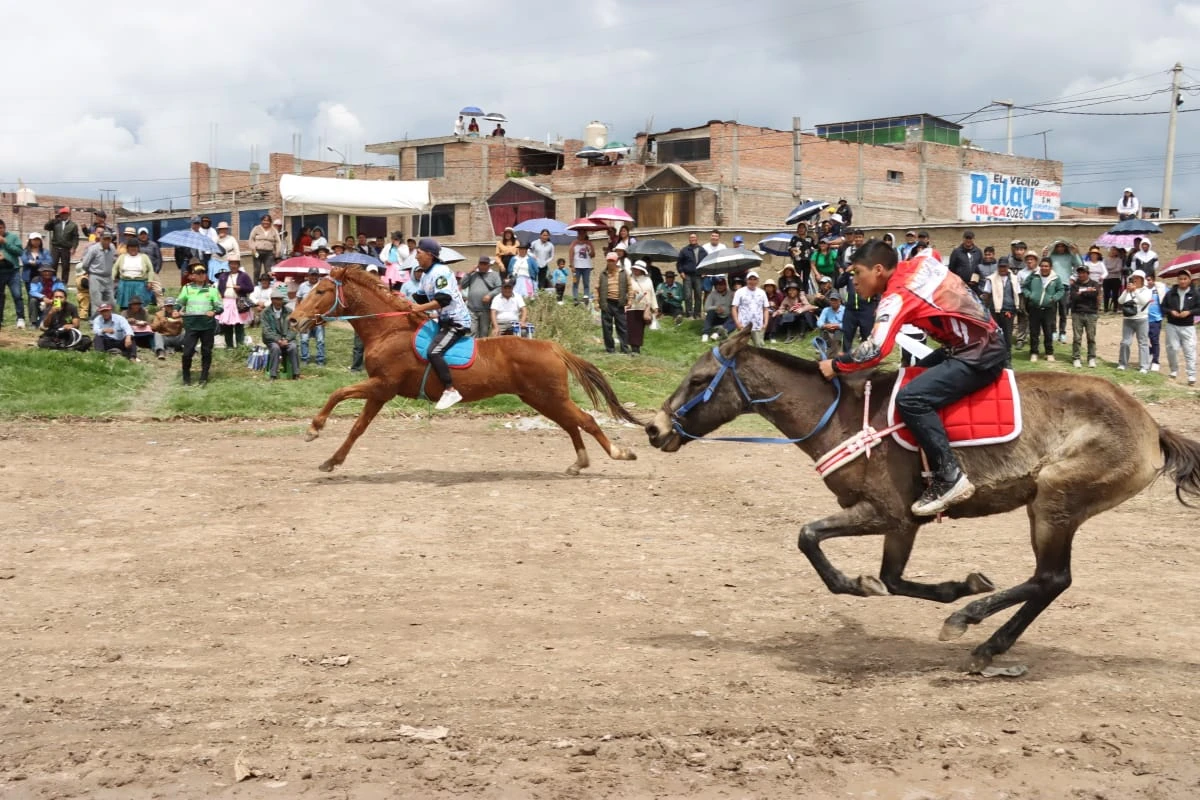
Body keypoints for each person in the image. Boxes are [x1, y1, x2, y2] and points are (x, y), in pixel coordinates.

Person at [819, 242, 1008, 515]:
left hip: (977, 354)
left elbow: (875, 351)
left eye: (858, 273)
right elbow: (931, 252)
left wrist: (835, 365)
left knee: (911, 398)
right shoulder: (918, 262)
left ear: (879, 270)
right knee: (910, 374)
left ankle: (949, 476)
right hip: (977, 343)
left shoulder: (896, 295)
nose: (854, 281)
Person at [407, 238, 474, 409]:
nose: (416, 257)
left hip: (456, 322)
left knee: (434, 352)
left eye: (419, 253)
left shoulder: (441, 272)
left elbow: (443, 299)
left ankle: (450, 390)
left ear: (429, 254)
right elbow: (419, 298)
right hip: (443, 320)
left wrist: (419, 308)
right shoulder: (426, 274)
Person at [175, 261, 223, 386]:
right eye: (198, 273)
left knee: (206, 351)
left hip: (207, 325)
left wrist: (214, 311)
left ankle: (204, 377)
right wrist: (175, 311)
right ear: (192, 276)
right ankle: (186, 378)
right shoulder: (187, 288)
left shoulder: (212, 289)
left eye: (203, 273)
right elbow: (179, 302)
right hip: (191, 324)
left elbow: (220, 307)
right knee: (187, 352)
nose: (201, 275)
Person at [835, 244, 878, 355]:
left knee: (867, 337)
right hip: (850, 309)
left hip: (867, 309)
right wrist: (846, 273)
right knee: (847, 335)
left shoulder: (869, 272)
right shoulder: (850, 273)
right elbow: (838, 284)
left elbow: (877, 289)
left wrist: (876, 306)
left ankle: (866, 358)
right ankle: (846, 359)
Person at [1161, 270, 1198, 386]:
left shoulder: (1195, 294)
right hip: (1172, 324)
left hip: (1188, 326)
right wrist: (1171, 311)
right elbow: (1163, 307)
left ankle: (1191, 375)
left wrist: (1190, 312)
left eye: (1185, 279)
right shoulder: (1171, 293)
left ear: (1189, 280)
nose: (1182, 281)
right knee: (1172, 348)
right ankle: (1173, 371)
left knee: (1190, 350)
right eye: (1180, 279)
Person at [980, 259, 1019, 367]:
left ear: (1008, 267)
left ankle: (1007, 360)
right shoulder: (991, 279)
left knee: (1007, 335)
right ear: (998, 267)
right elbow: (986, 294)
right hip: (994, 310)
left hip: (1008, 310)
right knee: (994, 335)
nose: (1002, 269)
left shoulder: (1014, 279)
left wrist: (1018, 308)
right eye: (1001, 267)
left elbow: (1017, 293)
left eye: (1004, 267)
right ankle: (994, 359)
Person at [1023, 257, 1063, 362]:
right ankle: (1034, 352)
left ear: (1050, 267)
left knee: (1048, 331)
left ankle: (1049, 353)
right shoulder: (1034, 276)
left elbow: (1061, 290)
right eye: (1042, 266)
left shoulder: (1055, 278)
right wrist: (1029, 295)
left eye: (1046, 266)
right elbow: (1024, 287)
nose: (1044, 268)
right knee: (1034, 332)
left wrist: (1054, 298)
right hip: (1034, 308)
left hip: (1049, 309)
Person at [1044, 240, 1081, 343]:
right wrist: (1045, 254)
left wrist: (1075, 253)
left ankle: (1063, 332)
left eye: (1062, 246)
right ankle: (1053, 331)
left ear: (1065, 247)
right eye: (1058, 246)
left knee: (1063, 311)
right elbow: (1044, 264)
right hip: (1052, 285)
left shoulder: (1070, 256)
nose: (1060, 248)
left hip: (1065, 285)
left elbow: (1079, 265)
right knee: (1052, 310)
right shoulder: (1052, 256)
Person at [260, 285, 300, 380]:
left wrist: (287, 339)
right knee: (275, 348)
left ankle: (296, 374)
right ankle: (273, 375)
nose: (279, 302)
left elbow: (294, 328)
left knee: (293, 347)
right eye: (276, 299)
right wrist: (278, 340)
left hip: (287, 339)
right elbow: (266, 331)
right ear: (272, 300)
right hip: (272, 340)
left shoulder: (289, 311)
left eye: (280, 299)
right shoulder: (265, 313)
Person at [1118, 270, 1153, 373]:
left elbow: (1143, 301)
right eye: (1134, 278)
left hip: (1142, 319)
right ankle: (1122, 364)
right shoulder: (1128, 289)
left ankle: (1144, 366)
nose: (1135, 280)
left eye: (1138, 278)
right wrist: (1126, 291)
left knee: (1143, 343)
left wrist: (1135, 291)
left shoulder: (1146, 290)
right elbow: (1120, 301)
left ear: (1142, 279)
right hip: (1128, 319)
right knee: (1125, 342)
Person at [596, 251, 631, 353]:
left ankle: (624, 348)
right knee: (607, 328)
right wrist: (596, 302)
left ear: (616, 261)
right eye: (609, 261)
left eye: (612, 261)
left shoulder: (623, 273)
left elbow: (630, 286)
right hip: (606, 303)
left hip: (619, 303)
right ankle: (610, 349)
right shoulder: (603, 274)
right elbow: (596, 288)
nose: (610, 263)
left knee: (622, 327)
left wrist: (630, 299)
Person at [216, 255, 254, 348]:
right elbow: (220, 288)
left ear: (238, 265)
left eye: (235, 264)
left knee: (238, 325)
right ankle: (229, 346)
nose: (233, 266)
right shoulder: (223, 276)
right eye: (231, 264)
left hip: (239, 303)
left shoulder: (244, 276)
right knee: (227, 325)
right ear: (229, 265)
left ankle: (240, 345)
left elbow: (251, 288)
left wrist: (241, 288)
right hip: (227, 303)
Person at [460, 255, 502, 337]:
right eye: (481, 264)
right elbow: (462, 285)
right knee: (472, 332)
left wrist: (490, 295)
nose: (482, 266)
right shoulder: (473, 275)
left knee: (484, 333)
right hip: (472, 309)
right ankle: (473, 349)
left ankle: (482, 349)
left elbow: (499, 287)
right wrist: (469, 272)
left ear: (489, 265)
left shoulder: (494, 275)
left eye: (484, 264)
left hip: (485, 310)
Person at [79, 229, 117, 318]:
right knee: (97, 301)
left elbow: (114, 259)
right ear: (101, 239)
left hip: (108, 277)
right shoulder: (93, 249)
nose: (107, 241)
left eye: (109, 239)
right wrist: (90, 273)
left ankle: (112, 321)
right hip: (95, 276)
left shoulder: (112, 247)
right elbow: (85, 264)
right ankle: (95, 321)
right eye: (105, 239)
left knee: (111, 300)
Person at [1069, 263, 1100, 368]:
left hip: (1091, 313)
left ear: (1088, 273)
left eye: (1083, 272)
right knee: (1077, 338)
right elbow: (1074, 297)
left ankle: (1091, 358)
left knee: (1091, 337)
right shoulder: (1074, 285)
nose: (1081, 275)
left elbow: (1094, 294)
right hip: (1077, 313)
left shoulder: (1094, 284)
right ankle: (1076, 358)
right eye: (1079, 273)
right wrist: (1087, 291)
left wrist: (1081, 293)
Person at [730, 271, 769, 347]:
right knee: (741, 347)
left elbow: (766, 309)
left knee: (759, 347)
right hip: (743, 325)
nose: (752, 281)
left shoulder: (762, 293)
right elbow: (734, 308)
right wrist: (737, 323)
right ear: (746, 280)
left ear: (758, 281)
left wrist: (765, 323)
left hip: (757, 325)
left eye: (755, 279)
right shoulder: (739, 292)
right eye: (750, 279)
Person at [626, 261, 658, 354]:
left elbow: (652, 293)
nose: (636, 271)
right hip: (632, 306)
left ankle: (637, 347)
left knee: (639, 329)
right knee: (631, 327)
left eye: (638, 269)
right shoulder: (629, 279)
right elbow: (625, 292)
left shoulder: (648, 280)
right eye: (635, 269)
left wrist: (655, 306)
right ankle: (633, 347)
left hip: (644, 307)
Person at [114, 238, 154, 312]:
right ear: (127, 248)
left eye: (135, 247)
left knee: (139, 304)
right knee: (125, 305)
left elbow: (151, 269)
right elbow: (115, 268)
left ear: (138, 248)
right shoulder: (122, 257)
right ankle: (125, 316)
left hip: (139, 284)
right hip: (125, 283)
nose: (133, 249)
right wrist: (112, 278)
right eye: (131, 247)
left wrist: (150, 281)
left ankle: (140, 317)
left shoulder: (144, 257)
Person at [296, 268, 326, 365]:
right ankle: (305, 359)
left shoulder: (322, 286)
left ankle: (320, 360)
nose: (313, 277)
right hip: (305, 317)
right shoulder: (302, 286)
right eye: (312, 275)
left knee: (320, 340)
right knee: (304, 339)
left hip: (318, 316)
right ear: (308, 275)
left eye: (315, 275)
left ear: (318, 276)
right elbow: (298, 300)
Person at [44, 207, 80, 284]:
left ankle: (64, 284)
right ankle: (52, 282)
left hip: (66, 248)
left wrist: (74, 247)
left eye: (65, 214)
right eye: (62, 214)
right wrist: (53, 220)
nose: (63, 216)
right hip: (55, 248)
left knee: (65, 267)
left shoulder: (73, 225)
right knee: (53, 265)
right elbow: (46, 227)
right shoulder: (56, 223)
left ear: (68, 214)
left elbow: (75, 237)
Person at [0, 219, 24, 329]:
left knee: (17, 295)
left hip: (13, 271)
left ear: (4, 227)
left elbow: (19, 252)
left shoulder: (13, 237)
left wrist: (5, 242)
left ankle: (20, 318)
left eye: (1, 228)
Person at [676, 232, 705, 318]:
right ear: (689, 239)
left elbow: (706, 262)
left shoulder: (702, 250)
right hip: (687, 275)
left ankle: (697, 313)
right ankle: (689, 314)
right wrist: (681, 272)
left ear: (697, 239)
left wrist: (705, 271)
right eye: (691, 238)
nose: (692, 239)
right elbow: (679, 263)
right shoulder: (684, 250)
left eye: (694, 238)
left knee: (698, 295)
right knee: (688, 295)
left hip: (698, 275)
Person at [248, 214, 281, 282]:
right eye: (264, 220)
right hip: (257, 252)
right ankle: (255, 285)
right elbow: (251, 239)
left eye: (267, 221)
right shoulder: (256, 228)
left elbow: (278, 242)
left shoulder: (274, 230)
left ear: (270, 222)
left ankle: (269, 285)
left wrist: (277, 252)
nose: (266, 222)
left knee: (269, 270)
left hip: (269, 253)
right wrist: (253, 249)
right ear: (261, 221)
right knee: (257, 270)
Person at [701, 275, 733, 342]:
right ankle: (705, 334)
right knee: (710, 312)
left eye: (721, 284)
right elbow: (705, 308)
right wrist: (715, 308)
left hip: (727, 317)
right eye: (717, 285)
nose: (719, 286)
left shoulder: (731, 294)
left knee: (734, 317)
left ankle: (717, 334)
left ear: (725, 285)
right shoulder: (712, 294)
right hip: (716, 317)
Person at [787, 223, 816, 293]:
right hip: (798, 261)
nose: (801, 229)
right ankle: (797, 292)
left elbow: (815, 247)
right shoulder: (795, 238)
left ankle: (805, 293)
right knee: (797, 277)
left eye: (802, 228)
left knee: (806, 278)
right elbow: (789, 247)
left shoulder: (810, 238)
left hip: (807, 261)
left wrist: (816, 236)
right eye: (799, 228)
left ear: (806, 229)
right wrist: (793, 249)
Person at [570, 230, 595, 306]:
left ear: (585, 234)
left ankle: (586, 297)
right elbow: (571, 255)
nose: (581, 235)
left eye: (583, 233)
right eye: (580, 233)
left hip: (586, 267)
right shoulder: (574, 243)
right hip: (576, 267)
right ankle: (575, 298)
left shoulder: (589, 243)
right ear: (578, 234)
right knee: (575, 283)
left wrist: (589, 250)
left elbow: (593, 255)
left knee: (586, 282)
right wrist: (572, 265)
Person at [1146, 274, 1164, 372]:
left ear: (1153, 280)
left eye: (1149, 280)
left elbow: (1166, 297)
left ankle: (1155, 361)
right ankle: (1150, 354)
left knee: (1154, 340)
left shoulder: (1159, 289)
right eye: (1146, 280)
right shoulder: (1143, 290)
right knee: (1144, 340)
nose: (1147, 282)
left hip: (1156, 319)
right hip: (1144, 319)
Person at [1103, 246, 1125, 313]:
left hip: (1116, 279)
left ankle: (1115, 308)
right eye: (1112, 250)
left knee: (1115, 294)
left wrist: (1109, 269)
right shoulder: (1105, 259)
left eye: (1115, 250)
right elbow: (1104, 268)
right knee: (1106, 294)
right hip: (1106, 279)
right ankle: (1106, 308)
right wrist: (1112, 269)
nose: (1113, 252)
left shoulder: (1119, 260)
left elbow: (1118, 269)